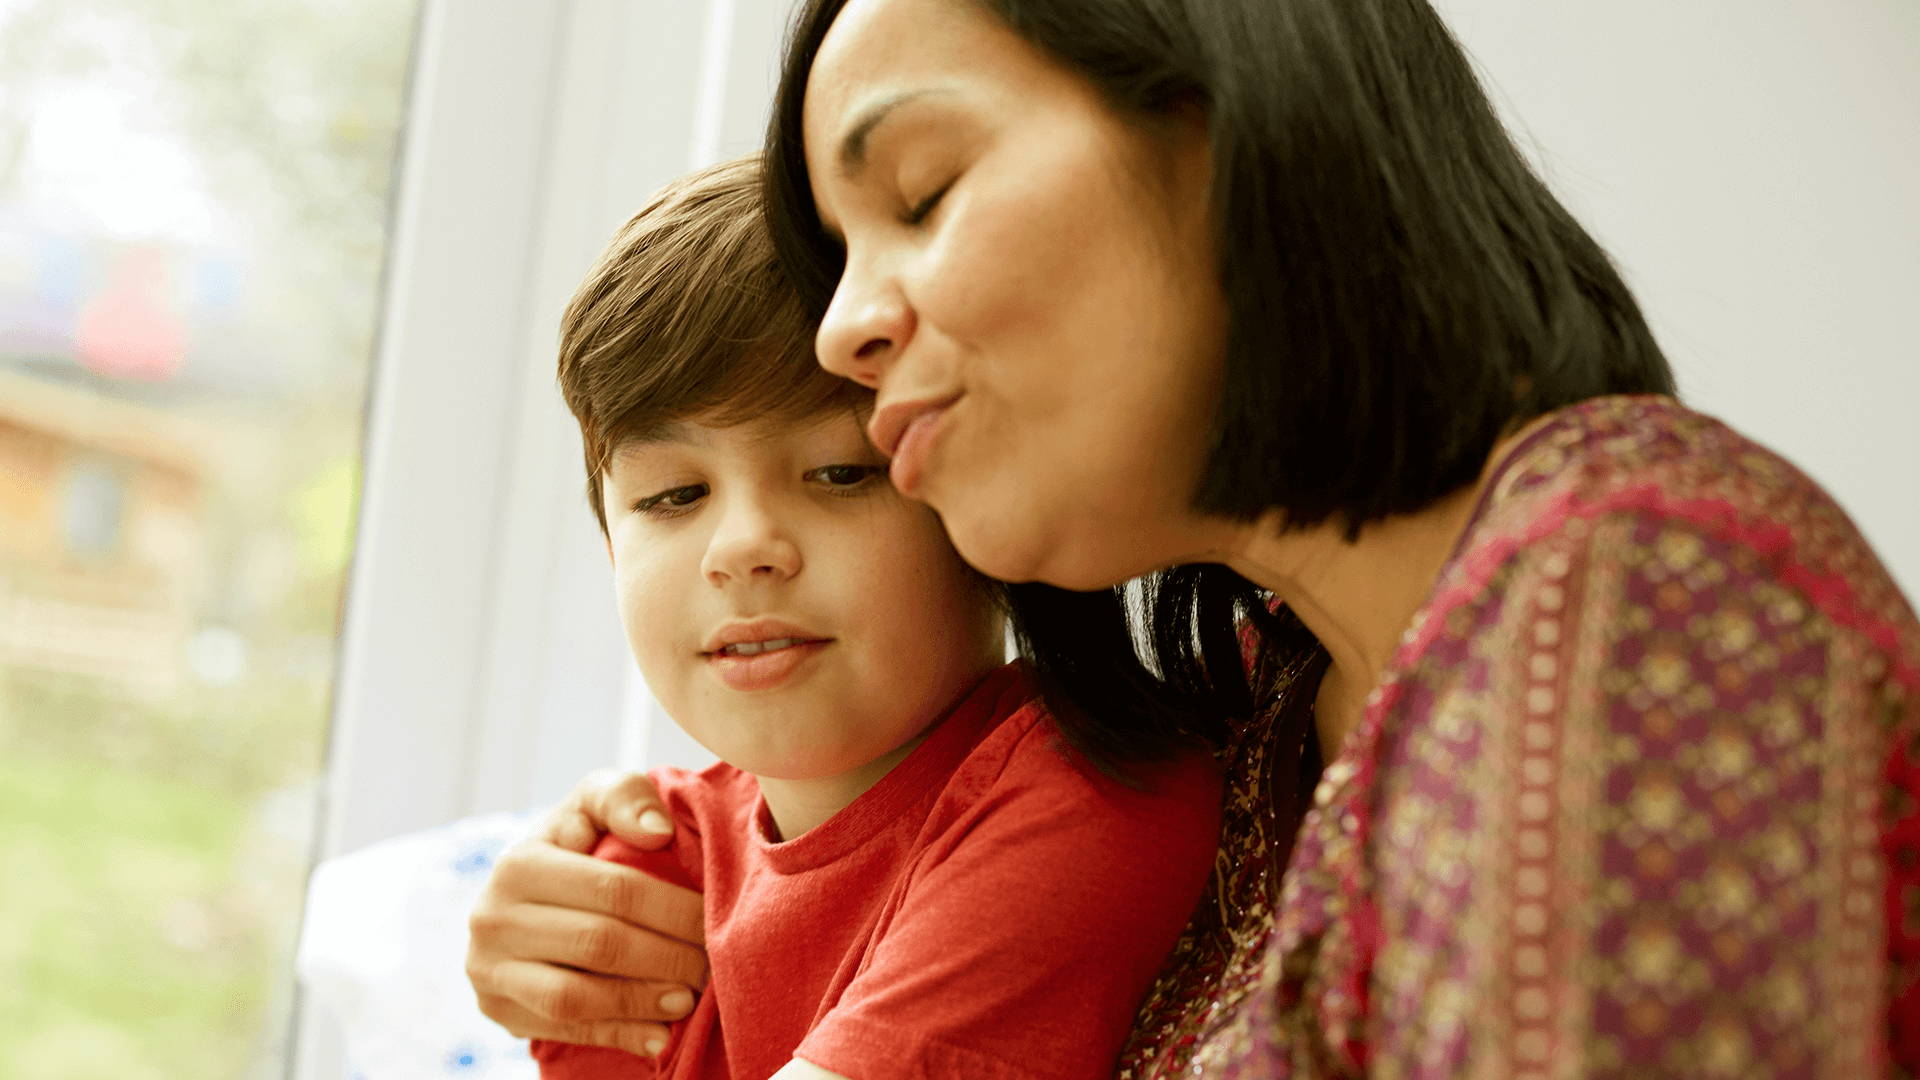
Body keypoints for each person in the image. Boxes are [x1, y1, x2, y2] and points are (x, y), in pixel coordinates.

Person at [471, 1, 1920, 1076]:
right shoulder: (1268, 713)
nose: (850, 327)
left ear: (1236, 119)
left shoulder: (1627, 584)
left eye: (920, 195)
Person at [517, 153, 1222, 1080]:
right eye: (673, 495)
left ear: (980, 498)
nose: (742, 547)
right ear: (612, 547)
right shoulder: (636, 879)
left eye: (842, 473)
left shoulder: (1097, 787)